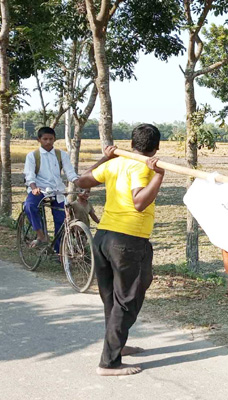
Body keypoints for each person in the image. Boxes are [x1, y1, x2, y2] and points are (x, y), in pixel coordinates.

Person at [75, 124, 165, 376]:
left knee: (111, 298)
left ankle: (117, 346)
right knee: (128, 299)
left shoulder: (116, 163)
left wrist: (106, 157)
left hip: (103, 237)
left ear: (132, 143)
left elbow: (82, 180)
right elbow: (138, 202)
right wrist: (158, 175)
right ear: (156, 147)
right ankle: (109, 363)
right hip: (128, 240)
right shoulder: (140, 166)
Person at [22, 127, 80, 251]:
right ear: (39, 140)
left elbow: (70, 173)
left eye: (51, 139)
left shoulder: (61, 155)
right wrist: (33, 188)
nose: (48, 142)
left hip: (57, 190)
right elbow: (29, 175)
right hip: (40, 189)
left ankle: (60, 253)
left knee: (61, 221)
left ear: (54, 139)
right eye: (45, 139)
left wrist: (79, 183)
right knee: (29, 206)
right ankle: (40, 234)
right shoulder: (33, 156)